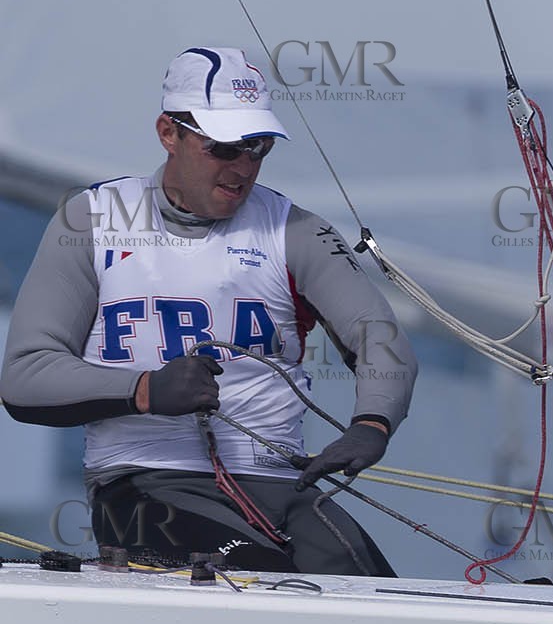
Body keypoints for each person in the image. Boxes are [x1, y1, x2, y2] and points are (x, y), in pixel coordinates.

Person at [0, 46, 418, 575]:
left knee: (372, 593)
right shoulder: (91, 220)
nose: (243, 168)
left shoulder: (296, 230)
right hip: (145, 480)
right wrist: (145, 389)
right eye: (223, 147)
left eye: (258, 147)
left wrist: (372, 423)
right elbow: (25, 376)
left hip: (281, 483)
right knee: (266, 583)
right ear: (168, 133)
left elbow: (378, 336)